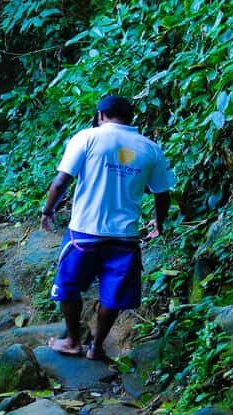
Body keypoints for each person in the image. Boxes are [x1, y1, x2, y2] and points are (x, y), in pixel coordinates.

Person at [40, 96, 174, 360]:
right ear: (131, 117)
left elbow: (61, 181)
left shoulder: (87, 137)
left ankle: (72, 341)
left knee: (69, 286)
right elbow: (162, 192)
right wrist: (159, 221)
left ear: (101, 114)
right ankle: (97, 347)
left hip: (84, 232)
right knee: (113, 295)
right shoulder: (150, 148)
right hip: (124, 238)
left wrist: (47, 210)